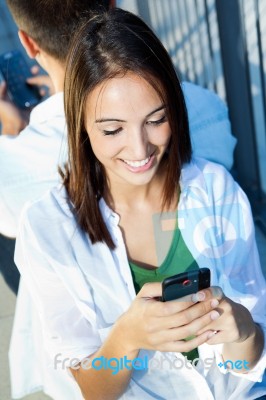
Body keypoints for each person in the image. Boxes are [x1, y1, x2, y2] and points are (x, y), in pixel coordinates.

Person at [11, 7, 265, 400]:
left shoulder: (216, 191)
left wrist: (245, 331)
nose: (140, 149)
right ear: (79, 124)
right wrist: (127, 337)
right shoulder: (47, 227)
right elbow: (94, 391)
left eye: (156, 119)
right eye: (112, 129)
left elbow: (245, 365)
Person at [0, 0, 111, 294]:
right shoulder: (203, 107)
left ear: (27, 42)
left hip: (73, 298)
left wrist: (13, 131)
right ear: (113, 5)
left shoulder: (6, 169)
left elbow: (8, 219)